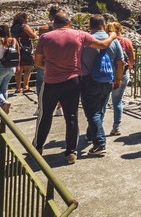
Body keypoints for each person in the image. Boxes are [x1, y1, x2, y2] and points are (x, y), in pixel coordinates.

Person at [33, 11, 118, 165]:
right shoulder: (79, 34)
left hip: (51, 81)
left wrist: (51, 67)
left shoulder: (45, 37)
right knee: (71, 116)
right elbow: (103, 44)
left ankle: (38, 147)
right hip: (73, 81)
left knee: (45, 115)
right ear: (69, 23)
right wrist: (112, 36)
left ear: (54, 23)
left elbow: (38, 62)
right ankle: (71, 152)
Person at [79, 14, 125, 157]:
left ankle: (99, 143)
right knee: (100, 109)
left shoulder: (85, 40)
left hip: (88, 80)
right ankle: (90, 134)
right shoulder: (114, 41)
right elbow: (121, 62)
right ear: (103, 25)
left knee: (92, 112)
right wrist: (118, 79)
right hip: (107, 80)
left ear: (90, 26)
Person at [108, 21, 134, 137]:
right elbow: (132, 58)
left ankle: (96, 127)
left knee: (102, 101)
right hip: (123, 73)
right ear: (120, 30)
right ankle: (116, 127)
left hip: (109, 74)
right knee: (117, 101)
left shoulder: (108, 41)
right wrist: (128, 70)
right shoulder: (126, 41)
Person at [10, 12, 38, 95]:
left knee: (18, 69)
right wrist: (35, 32)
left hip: (16, 48)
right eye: (27, 18)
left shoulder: (13, 27)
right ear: (23, 19)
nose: (28, 19)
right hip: (26, 48)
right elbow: (33, 36)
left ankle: (18, 87)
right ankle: (25, 86)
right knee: (28, 68)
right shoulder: (25, 26)